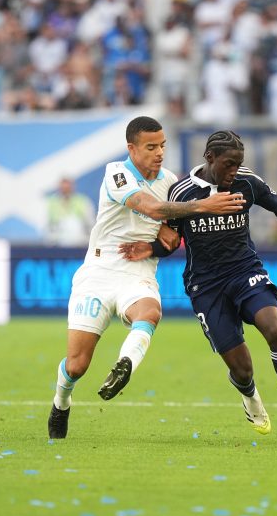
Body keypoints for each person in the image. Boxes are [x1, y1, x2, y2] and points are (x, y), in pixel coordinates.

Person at [118, 130, 277, 444]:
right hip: (206, 286)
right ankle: (248, 394)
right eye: (228, 164)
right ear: (210, 158)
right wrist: (151, 248)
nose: (234, 171)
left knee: (274, 329)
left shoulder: (247, 182)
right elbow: (172, 240)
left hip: (245, 271)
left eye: (238, 164)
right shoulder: (182, 192)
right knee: (242, 369)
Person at [47, 117, 247, 439]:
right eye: (151, 147)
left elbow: (172, 233)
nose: (159, 153)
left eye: (162, 145)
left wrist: (165, 237)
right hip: (99, 271)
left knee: (150, 312)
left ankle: (124, 365)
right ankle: (61, 402)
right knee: (76, 365)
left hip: (138, 272)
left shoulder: (171, 181)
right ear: (132, 149)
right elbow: (151, 208)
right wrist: (202, 206)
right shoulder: (117, 174)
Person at [45, 177, 96, 247]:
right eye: (63, 189)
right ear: (59, 189)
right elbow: (47, 224)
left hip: (80, 240)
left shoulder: (83, 201)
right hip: (58, 241)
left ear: (72, 187)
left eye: (67, 188)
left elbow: (90, 222)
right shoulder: (51, 203)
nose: (66, 191)